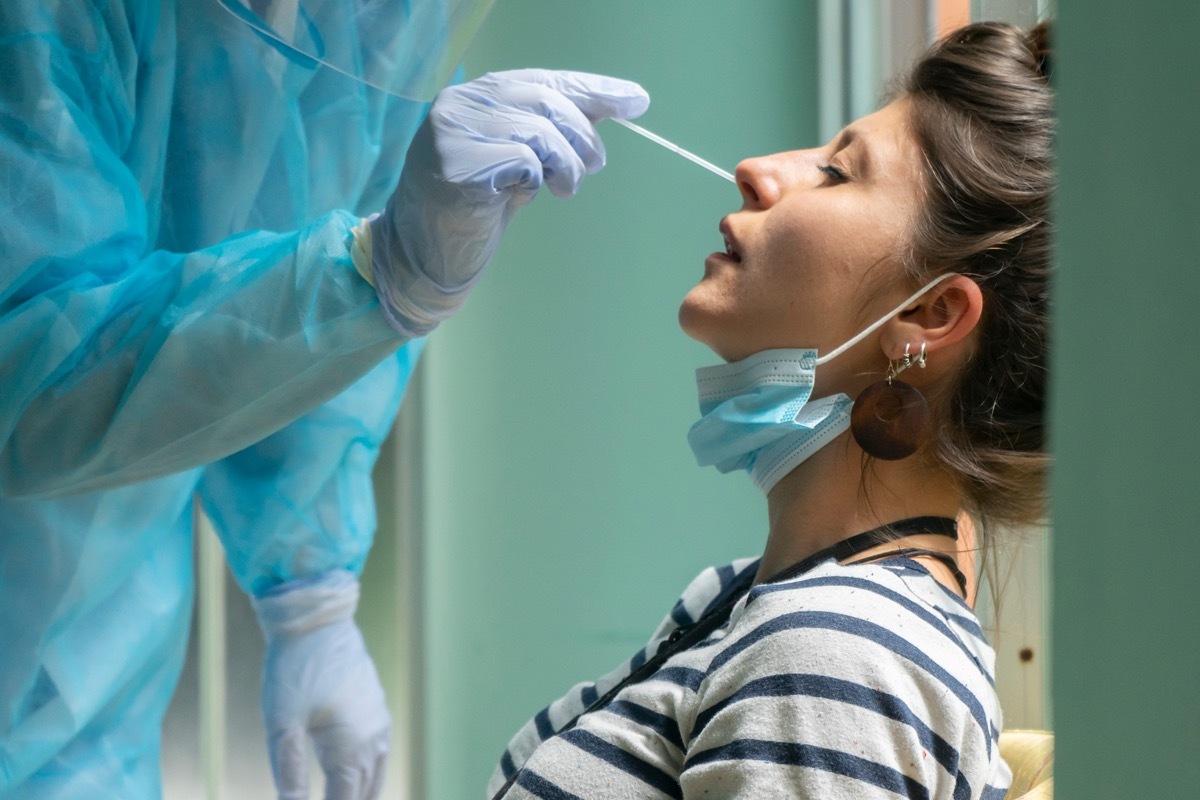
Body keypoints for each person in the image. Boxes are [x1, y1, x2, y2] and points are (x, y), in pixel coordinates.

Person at [0, 0, 648, 797]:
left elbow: (270, 305)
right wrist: (375, 273)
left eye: (836, 170)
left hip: (99, 679)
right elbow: (30, 372)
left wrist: (309, 591)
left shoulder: (379, 22)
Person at [488, 20, 1052, 799]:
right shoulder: (746, 599)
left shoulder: (835, 653)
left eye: (835, 172)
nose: (755, 170)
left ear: (928, 318)